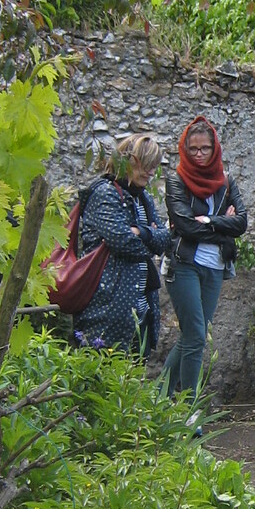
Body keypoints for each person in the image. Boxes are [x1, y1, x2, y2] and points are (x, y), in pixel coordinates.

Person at [162, 115, 248, 400]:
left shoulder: (226, 180)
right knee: (196, 336)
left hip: (215, 266)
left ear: (215, 149)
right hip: (184, 264)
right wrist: (224, 225)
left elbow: (242, 223)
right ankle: (189, 408)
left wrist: (210, 221)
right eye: (193, 149)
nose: (199, 154)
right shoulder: (177, 180)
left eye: (205, 149)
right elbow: (185, 226)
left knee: (192, 335)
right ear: (185, 150)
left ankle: (159, 398)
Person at [73, 134, 171, 356]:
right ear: (128, 162)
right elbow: (124, 243)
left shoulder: (143, 198)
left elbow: (165, 239)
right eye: (146, 165)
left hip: (141, 308)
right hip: (106, 309)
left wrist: (142, 232)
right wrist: (151, 237)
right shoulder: (105, 193)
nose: (151, 172)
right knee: (100, 370)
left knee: (135, 373)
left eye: (154, 166)